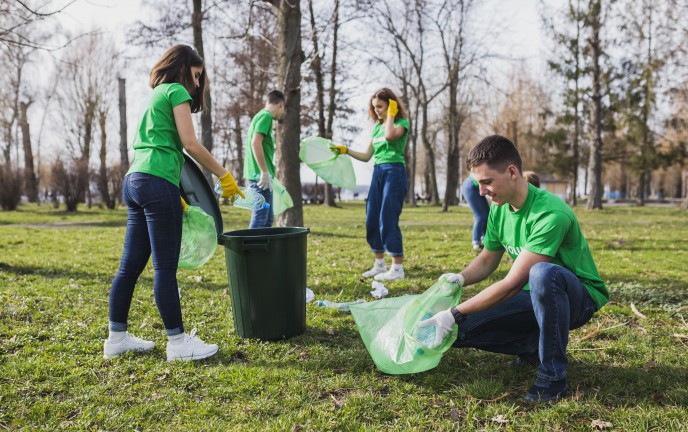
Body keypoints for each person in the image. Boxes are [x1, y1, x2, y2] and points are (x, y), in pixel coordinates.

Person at [419, 135, 608, 402]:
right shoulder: (500, 207)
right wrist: (459, 279)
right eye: (478, 184)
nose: (481, 191)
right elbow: (487, 259)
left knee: (543, 274)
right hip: (533, 294)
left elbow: (512, 284)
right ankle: (532, 346)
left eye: (486, 182)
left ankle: (552, 376)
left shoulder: (551, 214)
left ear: (512, 172)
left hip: (576, 298)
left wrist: (455, 312)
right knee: (456, 332)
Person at [104, 45, 244, 362]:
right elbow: (189, 144)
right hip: (156, 183)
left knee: (128, 268)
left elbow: (160, 146)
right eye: (195, 76)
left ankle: (116, 338)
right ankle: (178, 343)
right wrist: (224, 175)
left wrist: (175, 193)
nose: (196, 85)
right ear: (182, 69)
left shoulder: (154, 94)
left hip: (135, 180)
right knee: (165, 269)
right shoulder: (177, 90)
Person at [332, 88, 409, 281]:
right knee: (372, 217)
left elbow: (391, 135)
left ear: (391, 105)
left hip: (395, 171)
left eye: (381, 107)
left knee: (388, 217)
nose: (377, 111)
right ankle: (379, 264)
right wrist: (346, 150)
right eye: (375, 108)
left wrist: (391, 114)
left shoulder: (401, 123)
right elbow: (367, 156)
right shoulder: (376, 128)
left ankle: (397, 268)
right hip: (378, 172)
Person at [243, 90, 286, 228]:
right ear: (281, 104)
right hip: (260, 177)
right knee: (261, 217)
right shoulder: (266, 116)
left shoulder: (260, 116)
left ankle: (263, 249)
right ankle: (250, 249)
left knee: (267, 219)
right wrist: (264, 172)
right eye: (283, 108)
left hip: (261, 176)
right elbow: (255, 143)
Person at [461, 173, 489, 251]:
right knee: (480, 216)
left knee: (487, 213)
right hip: (470, 186)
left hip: (475, 185)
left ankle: (485, 239)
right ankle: (476, 242)